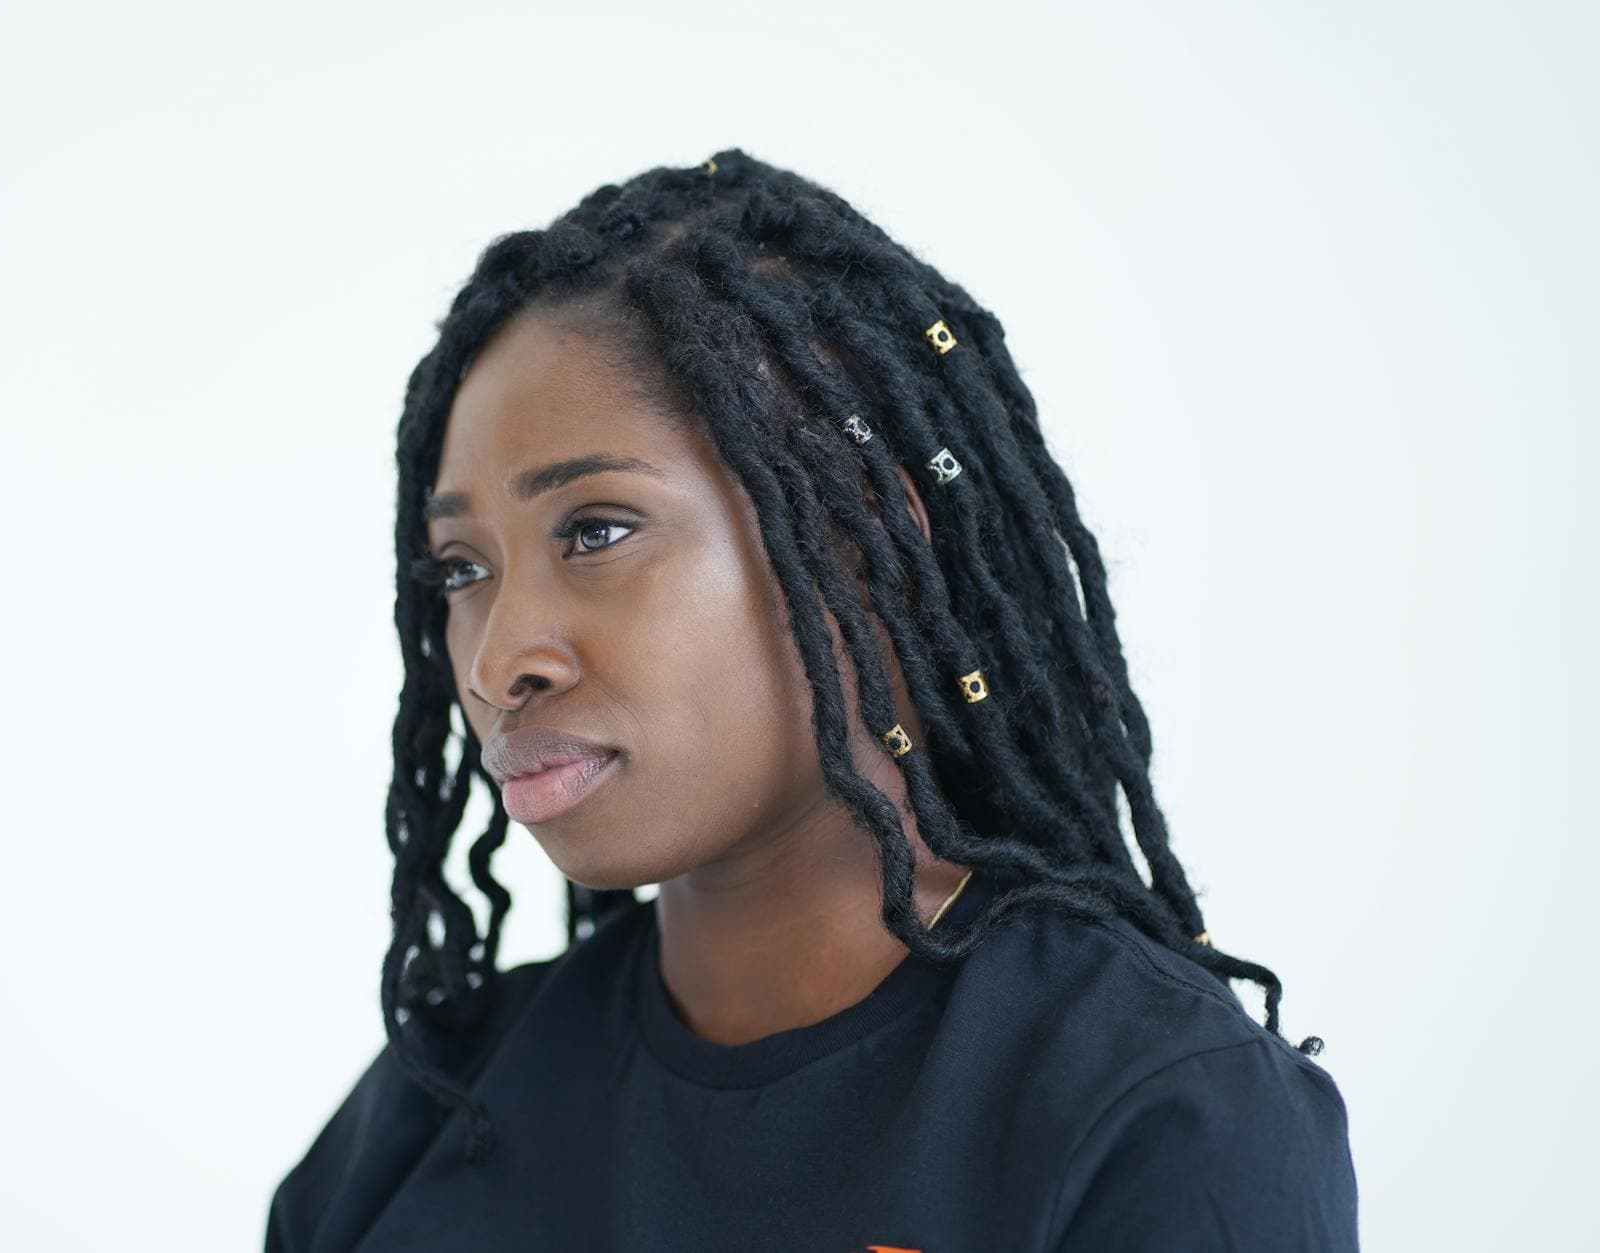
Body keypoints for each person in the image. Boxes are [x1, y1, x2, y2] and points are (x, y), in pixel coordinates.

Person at [265, 149, 1359, 1251]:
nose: (498, 659)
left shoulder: (1150, 1112)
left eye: (595, 531)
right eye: (461, 568)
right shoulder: (433, 1103)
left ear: (864, 532)